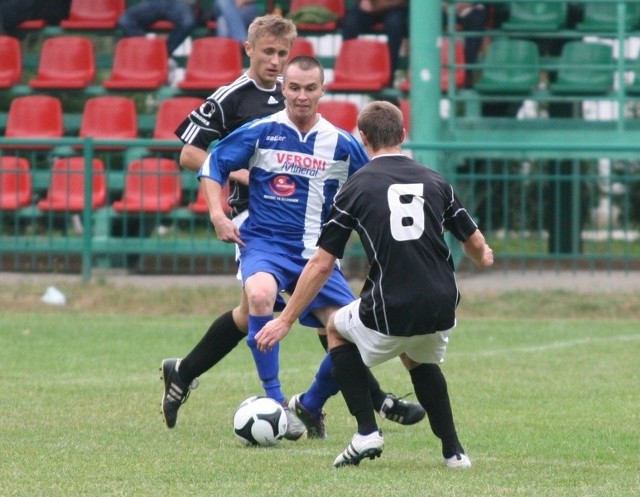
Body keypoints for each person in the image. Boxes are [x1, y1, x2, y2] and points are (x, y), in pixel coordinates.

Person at [163, 16, 424, 439]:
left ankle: (197, 373)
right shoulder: (238, 102)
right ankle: (294, 402)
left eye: (283, 55)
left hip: (311, 238)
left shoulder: (334, 138)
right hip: (255, 225)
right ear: (249, 49)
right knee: (263, 299)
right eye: (269, 52)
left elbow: (371, 177)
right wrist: (244, 183)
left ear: (318, 88)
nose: (277, 62)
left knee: (318, 322)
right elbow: (195, 155)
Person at [255, 100, 494, 468]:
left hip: (391, 302)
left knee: (335, 328)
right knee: (420, 360)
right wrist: (484, 258)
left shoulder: (356, 188)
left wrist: (285, 319)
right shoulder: (435, 181)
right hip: (443, 303)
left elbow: (321, 264)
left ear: (362, 137)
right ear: (403, 134)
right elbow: (476, 245)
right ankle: (454, 452)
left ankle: (366, 431)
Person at [341, 0, 409, 87]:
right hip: (371, 6)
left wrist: (377, 6)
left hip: (395, 9)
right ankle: (347, 73)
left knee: (395, 25)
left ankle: (388, 80)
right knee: (350, 23)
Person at [117, 0, 197, 56]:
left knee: (187, 22)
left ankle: (162, 53)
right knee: (126, 20)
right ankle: (148, 49)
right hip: (153, 2)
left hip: (179, 3)